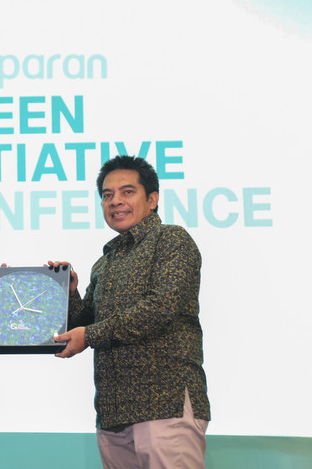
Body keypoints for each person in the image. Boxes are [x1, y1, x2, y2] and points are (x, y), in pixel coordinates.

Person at [52, 155, 210, 469]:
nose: (115, 201)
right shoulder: (104, 262)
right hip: (112, 412)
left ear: (152, 199)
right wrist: (68, 293)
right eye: (107, 195)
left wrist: (89, 335)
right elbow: (87, 321)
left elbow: (159, 309)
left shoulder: (171, 240)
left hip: (164, 404)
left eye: (127, 192)